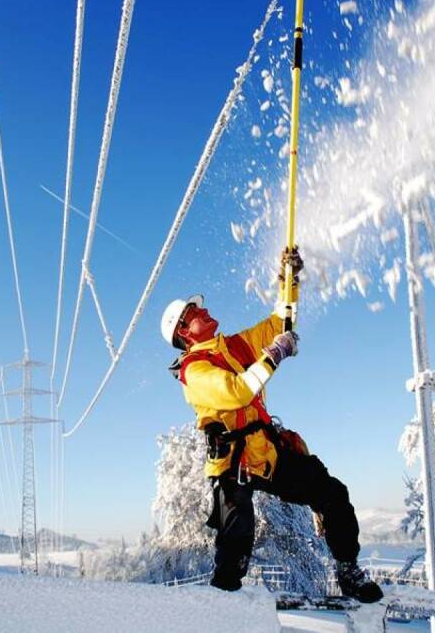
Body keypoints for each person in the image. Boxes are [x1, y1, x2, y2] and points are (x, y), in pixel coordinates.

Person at [159, 248, 383, 603]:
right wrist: (275, 354)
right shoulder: (194, 370)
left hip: (266, 452)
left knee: (332, 493)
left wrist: (288, 282)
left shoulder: (231, 346)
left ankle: (348, 570)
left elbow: (278, 323)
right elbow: (237, 390)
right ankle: (224, 601)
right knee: (237, 536)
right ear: (184, 332)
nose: (203, 309)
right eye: (194, 312)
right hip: (233, 462)